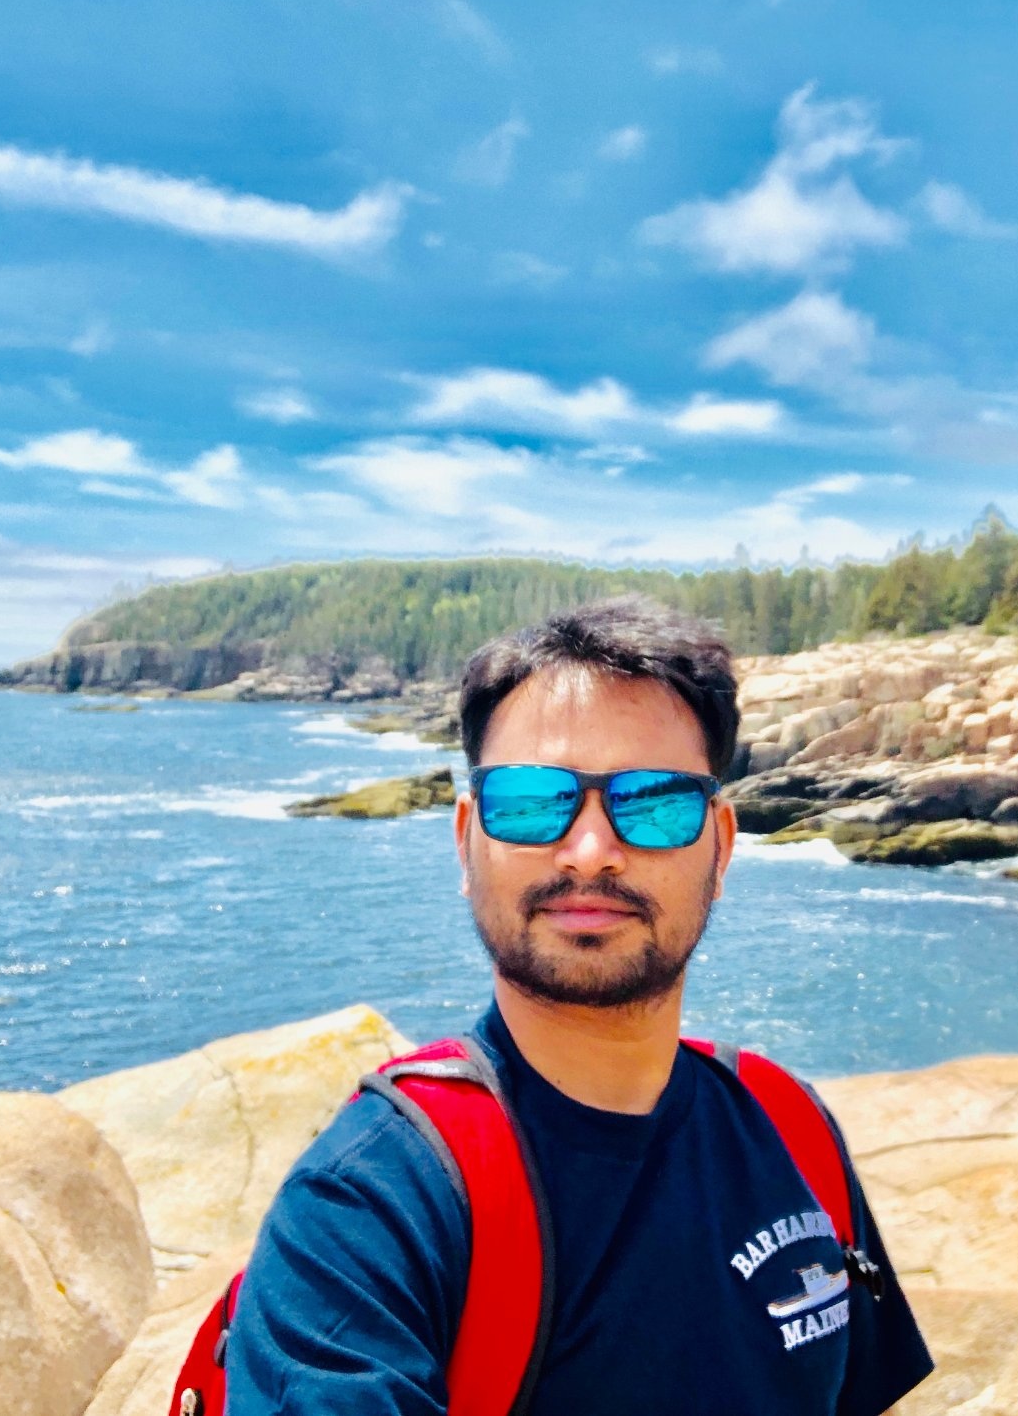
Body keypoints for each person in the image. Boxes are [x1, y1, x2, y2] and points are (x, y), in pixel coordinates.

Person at [227, 596, 934, 1414]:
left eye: (655, 802)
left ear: (722, 847)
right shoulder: (370, 1212)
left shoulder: (789, 1129)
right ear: (465, 842)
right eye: (531, 802)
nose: (591, 852)